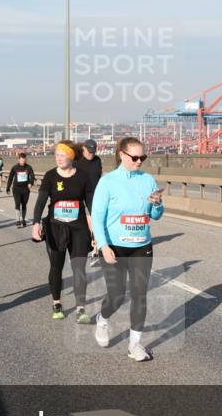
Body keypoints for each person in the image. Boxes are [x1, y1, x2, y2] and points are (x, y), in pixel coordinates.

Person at [90, 137, 164, 362]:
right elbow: (97, 216)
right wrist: (103, 246)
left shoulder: (148, 180)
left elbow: (155, 216)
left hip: (141, 246)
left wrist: (157, 205)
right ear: (122, 155)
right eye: (135, 157)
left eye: (143, 157)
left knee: (140, 294)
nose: (139, 161)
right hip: (115, 246)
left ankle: (135, 345)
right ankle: (102, 320)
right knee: (117, 295)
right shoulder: (108, 182)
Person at [31, 141, 95, 323]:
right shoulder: (51, 176)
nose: (58, 158)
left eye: (62, 154)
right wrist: (36, 223)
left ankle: (81, 308)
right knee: (56, 267)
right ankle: (57, 303)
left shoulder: (83, 176)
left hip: (79, 228)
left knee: (79, 268)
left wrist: (96, 230)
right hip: (55, 227)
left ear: (71, 156)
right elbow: (41, 201)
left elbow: (90, 204)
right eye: (57, 154)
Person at [76, 139, 105, 267]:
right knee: (88, 223)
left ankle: (95, 251)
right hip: (81, 195)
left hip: (96, 195)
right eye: (89, 151)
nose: (91, 154)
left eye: (94, 151)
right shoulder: (78, 162)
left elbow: (100, 175)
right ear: (84, 148)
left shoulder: (97, 160)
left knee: (96, 221)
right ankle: (91, 249)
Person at [6, 152, 36, 228]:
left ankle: (23, 220)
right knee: (17, 203)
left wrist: (30, 183)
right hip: (16, 189)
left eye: (24, 160)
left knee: (24, 204)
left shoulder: (28, 167)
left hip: (25, 189)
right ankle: (18, 220)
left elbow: (32, 176)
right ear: (18, 159)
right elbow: (10, 178)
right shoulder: (14, 168)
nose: (23, 162)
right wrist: (8, 187)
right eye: (22, 160)